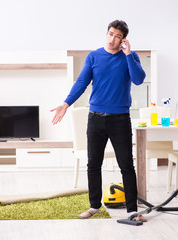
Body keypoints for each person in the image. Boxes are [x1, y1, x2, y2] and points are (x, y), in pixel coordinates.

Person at [51, 20, 146, 220]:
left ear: (123, 39)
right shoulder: (94, 56)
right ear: (106, 33)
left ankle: (132, 210)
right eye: (110, 34)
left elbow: (138, 79)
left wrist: (128, 54)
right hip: (95, 119)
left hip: (120, 120)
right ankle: (94, 206)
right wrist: (66, 103)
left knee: (126, 165)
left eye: (117, 36)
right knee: (93, 164)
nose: (112, 39)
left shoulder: (130, 56)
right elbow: (81, 83)